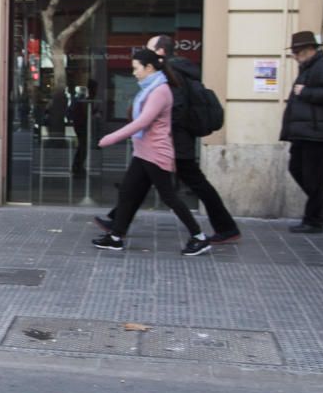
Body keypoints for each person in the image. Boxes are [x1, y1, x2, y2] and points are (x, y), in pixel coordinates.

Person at [96, 34, 241, 243]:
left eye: (149, 49)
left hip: (174, 145)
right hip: (166, 144)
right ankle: (118, 226)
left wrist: (160, 137)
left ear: (160, 52)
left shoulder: (172, 76)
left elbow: (174, 112)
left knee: (186, 188)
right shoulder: (172, 73)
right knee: (137, 184)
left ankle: (218, 229)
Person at [92, 48, 211, 256]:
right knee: (128, 192)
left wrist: (111, 138)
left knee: (169, 197)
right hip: (143, 152)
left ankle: (199, 237)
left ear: (149, 67)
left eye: (136, 68)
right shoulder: (149, 87)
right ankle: (116, 237)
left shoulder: (160, 91)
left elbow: (143, 121)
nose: (134, 73)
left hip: (155, 153)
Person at [279, 30, 323, 233]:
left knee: (313, 177)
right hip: (306, 131)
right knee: (297, 169)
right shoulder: (309, 67)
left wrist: (307, 92)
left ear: (309, 50)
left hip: (319, 132)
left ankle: (314, 220)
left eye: (297, 52)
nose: (294, 56)